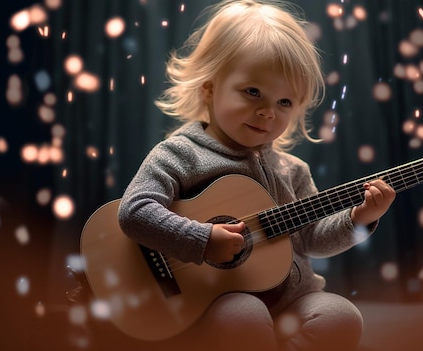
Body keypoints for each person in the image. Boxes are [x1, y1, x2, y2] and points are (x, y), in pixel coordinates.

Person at [117, 0, 396, 350]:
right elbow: (135, 211)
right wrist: (201, 239)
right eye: (253, 92)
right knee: (244, 315)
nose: (267, 112)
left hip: (292, 298)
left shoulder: (292, 170)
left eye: (285, 103)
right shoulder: (180, 153)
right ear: (209, 86)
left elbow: (312, 239)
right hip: (215, 299)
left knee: (342, 318)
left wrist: (359, 219)